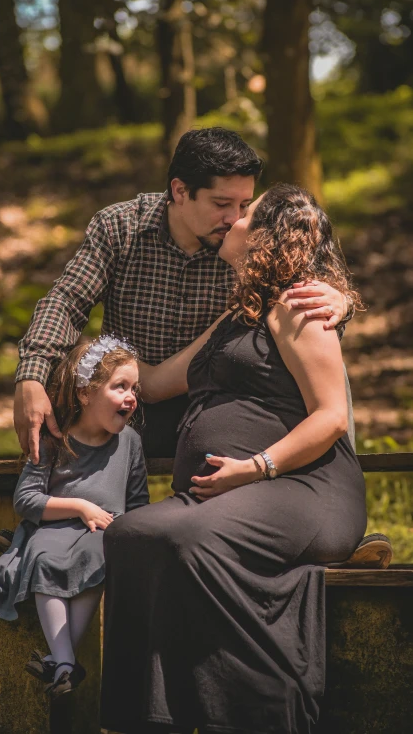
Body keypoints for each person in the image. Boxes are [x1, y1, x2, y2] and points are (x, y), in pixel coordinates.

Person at [100, 184, 368, 734]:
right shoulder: (234, 319)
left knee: (187, 539)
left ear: (269, 237)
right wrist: (60, 375)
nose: (233, 219)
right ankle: (148, 719)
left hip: (307, 487)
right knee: (130, 534)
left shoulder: (299, 308)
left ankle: (266, 707)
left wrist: (257, 466)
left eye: (246, 213)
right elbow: (150, 383)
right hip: (236, 494)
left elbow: (331, 417)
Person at [13, 128, 353, 461]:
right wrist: (32, 373)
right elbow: (66, 301)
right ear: (179, 190)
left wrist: (340, 302)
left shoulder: (244, 245)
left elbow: (299, 303)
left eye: (244, 205)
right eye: (221, 203)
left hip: (217, 406)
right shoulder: (120, 228)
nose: (234, 219)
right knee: (65, 420)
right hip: (130, 399)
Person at [0, 336, 149, 700]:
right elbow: (26, 499)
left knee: (98, 557)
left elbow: (138, 502)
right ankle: (65, 660)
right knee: (45, 557)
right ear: (85, 393)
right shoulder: (55, 441)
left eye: (134, 388)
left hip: (100, 535)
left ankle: (60, 661)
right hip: (52, 530)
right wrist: (80, 507)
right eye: (120, 387)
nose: (131, 396)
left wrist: (126, 529)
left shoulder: (130, 443)